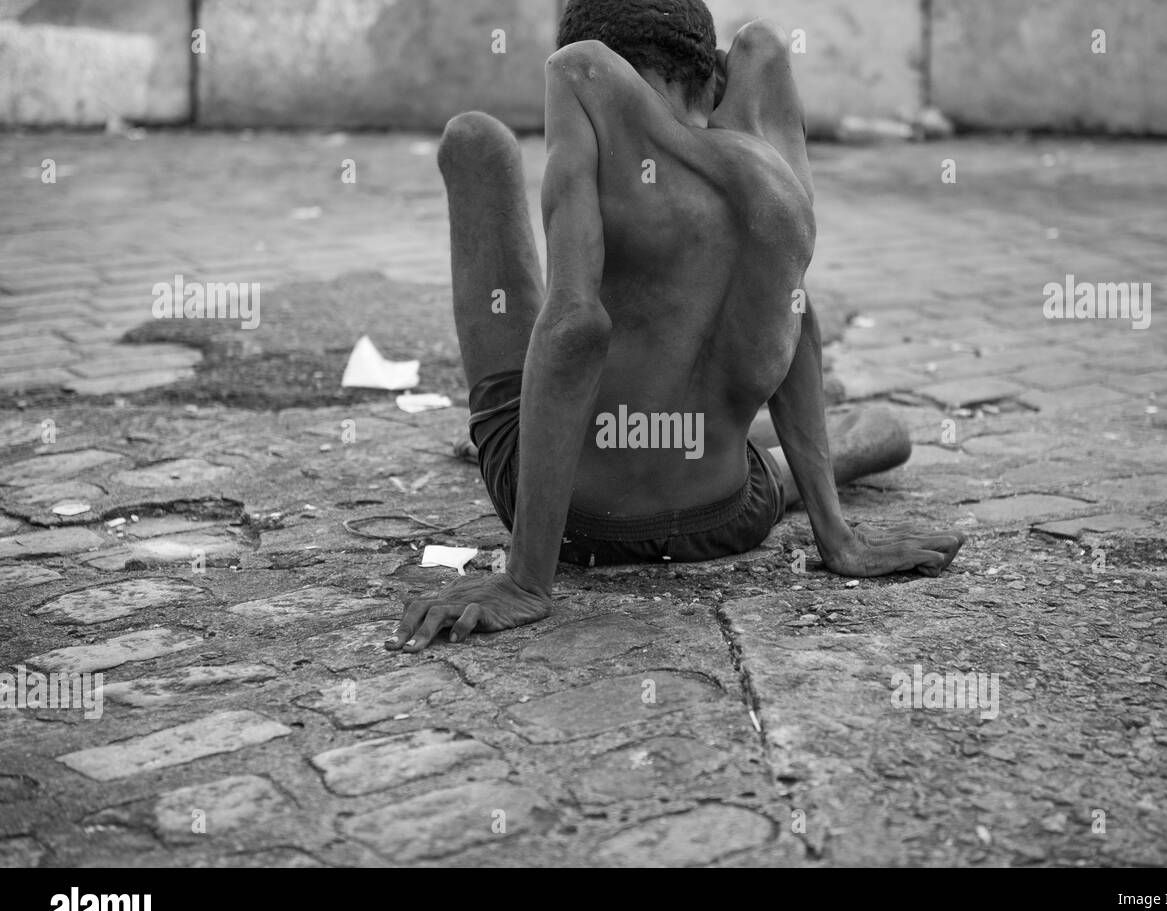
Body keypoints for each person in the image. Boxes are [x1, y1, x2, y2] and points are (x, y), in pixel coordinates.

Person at [388, 0, 963, 652]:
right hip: (726, 514)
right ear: (707, 78)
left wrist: (526, 581)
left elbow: (576, 325)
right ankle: (820, 469)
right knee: (877, 428)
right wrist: (840, 540)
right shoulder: (762, 162)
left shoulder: (581, 77)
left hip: (577, 522)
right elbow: (796, 318)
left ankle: (556, 431)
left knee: (476, 140)